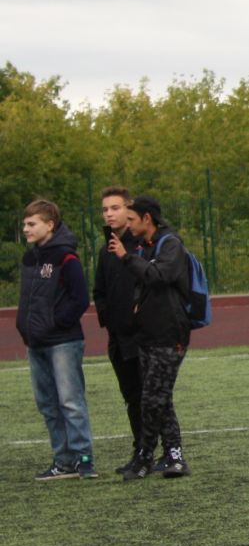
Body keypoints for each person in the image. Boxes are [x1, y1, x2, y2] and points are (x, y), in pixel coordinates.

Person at [115, 196, 192, 479]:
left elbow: (159, 275)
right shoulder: (145, 247)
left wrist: (126, 258)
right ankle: (174, 455)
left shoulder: (170, 244)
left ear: (147, 219)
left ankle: (145, 456)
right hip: (148, 335)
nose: (128, 223)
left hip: (169, 335)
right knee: (160, 398)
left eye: (132, 218)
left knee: (151, 398)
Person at [17, 199, 94, 480]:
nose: (26, 229)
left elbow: (80, 299)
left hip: (63, 342)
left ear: (49, 225)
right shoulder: (30, 258)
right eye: (25, 224)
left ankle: (84, 460)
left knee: (70, 402)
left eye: (31, 224)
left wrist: (53, 324)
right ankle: (63, 462)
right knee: (48, 404)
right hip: (35, 343)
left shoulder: (66, 258)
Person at [94, 186, 145, 473]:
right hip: (117, 337)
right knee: (131, 397)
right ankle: (140, 450)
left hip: (141, 335)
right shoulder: (106, 250)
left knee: (148, 396)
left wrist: (136, 316)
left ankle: (159, 452)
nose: (109, 213)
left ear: (129, 210)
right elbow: (99, 290)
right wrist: (108, 318)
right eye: (105, 209)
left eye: (115, 208)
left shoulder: (142, 246)